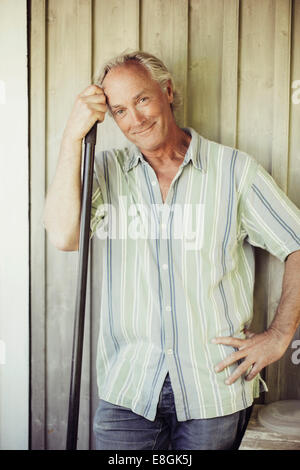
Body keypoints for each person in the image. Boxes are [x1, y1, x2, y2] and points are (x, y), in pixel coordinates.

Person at [44, 50, 300, 450]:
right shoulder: (104, 171)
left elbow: (297, 242)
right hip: (128, 392)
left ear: (167, 91)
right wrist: (72, 136)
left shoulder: (232, 171)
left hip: (213, 390)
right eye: (120, 111)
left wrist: (279, 335)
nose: (136, 120)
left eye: (142, 100)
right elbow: (63, 235)